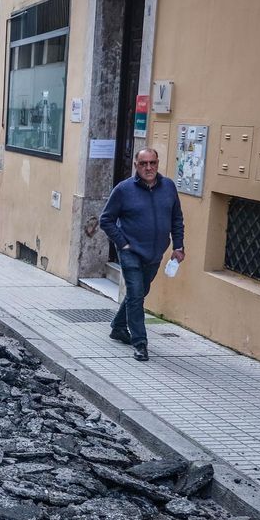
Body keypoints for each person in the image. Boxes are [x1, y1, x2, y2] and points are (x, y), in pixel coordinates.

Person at [99, 148, 185, 362]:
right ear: (136, 165)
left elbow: (176, 218)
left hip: (155, 252)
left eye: (153, 163)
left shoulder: (169, 187)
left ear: (158, 163)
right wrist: (123, 244)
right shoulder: (123, 189)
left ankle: (118, 327)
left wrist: (179, 246)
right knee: (136, 295)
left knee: (140, 292)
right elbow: (106, 220)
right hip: (131, 252)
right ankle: (140, 343)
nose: (149, 168)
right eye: (144, 163)